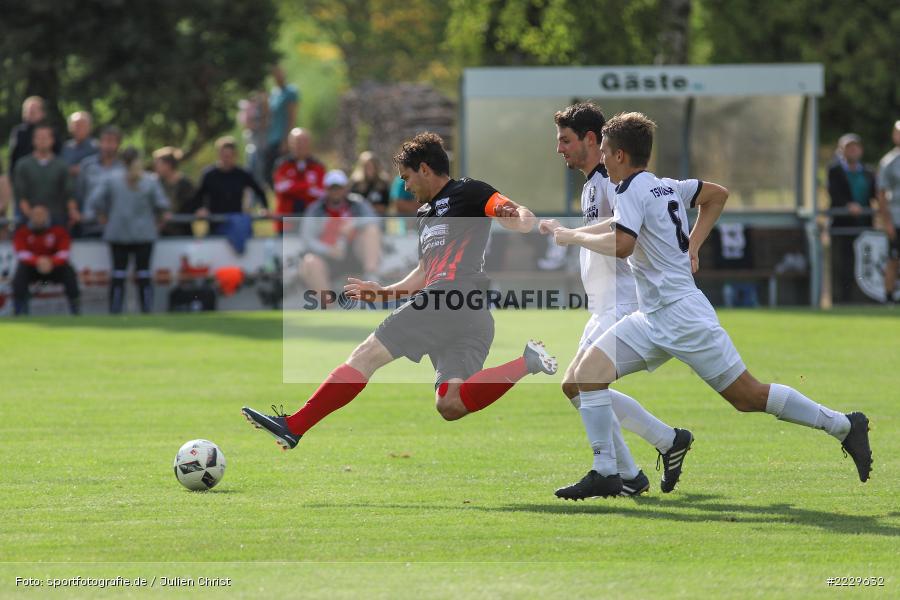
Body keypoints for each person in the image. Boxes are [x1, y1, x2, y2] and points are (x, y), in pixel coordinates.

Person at [543, 112, 872, 498]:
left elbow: (622, 243)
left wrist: (575, 239)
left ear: (618, 155)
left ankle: (844, 425)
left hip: (682, 316)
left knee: (747, 397)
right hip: (649, 317)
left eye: (604, 150)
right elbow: (716, 194)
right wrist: (692, 245)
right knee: (586, 377)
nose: (600, 155)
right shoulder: (663, 185)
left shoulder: (632, 190)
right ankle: (606, 470)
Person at [241, 132, 558, 451]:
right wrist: (382, 292)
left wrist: (518, 219)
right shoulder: (424, 216)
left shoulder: (468, 191)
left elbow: (519, 215)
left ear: (424, 169)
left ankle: (294, 426)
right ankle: (528, 361)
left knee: (365, 356)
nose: (405, 187)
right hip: (469, 313)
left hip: (449, 298)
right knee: (450, 404)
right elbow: (423, 272)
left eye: (406, 178)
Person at [541, 103, 691, 499]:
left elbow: (624, 229)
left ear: (592, 140)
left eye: (565, 140)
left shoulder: (612, 179)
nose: (560, 149)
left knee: (583, 384)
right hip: (603, 304)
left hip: (624, 302)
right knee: (576, 387)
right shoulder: (594, 182)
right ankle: (655, 450)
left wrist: (571, 233)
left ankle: (616, 468)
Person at [85, 147, 171, 313]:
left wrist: (103, 214)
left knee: (118, 275)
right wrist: (158, 219)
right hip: (145, 234)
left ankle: (115, 311)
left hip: (117, 233)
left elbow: (95, 201)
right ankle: (147, 311)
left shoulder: (111, 178)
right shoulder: (150, 180)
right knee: (144, 274)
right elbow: (163, 205)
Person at [300, 169, 381, 304]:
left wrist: (354, 223)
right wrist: (327, 250)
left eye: (339, 188)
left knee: (371, 231)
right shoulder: (316, 209)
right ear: (326, 189)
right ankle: (328, 306)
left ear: (345, 189)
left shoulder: (357, 203)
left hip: (353, 253)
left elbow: (375, 220)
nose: (336, 192)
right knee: (309, 261)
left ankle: (371, 278)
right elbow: (307, 239)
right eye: (332, 188)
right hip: (328, 257)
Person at [827, 133, 877, 303]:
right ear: (841, 150)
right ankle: (841, 301)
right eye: (849, 148)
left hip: (864, 227)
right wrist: (848, 205)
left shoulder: (868, 172)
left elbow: (875, 194)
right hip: (843, 226)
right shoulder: (834, 171)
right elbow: (834, 193)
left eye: (855, 147)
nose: (853, 151)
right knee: (843, 266)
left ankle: (863, 300)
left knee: (863, 266)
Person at [11, 205, 80, 315]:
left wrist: (50, 262)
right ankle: (19, 311)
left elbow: (64, 253)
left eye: (41, 215)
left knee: (69, 271)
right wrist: (38, 261)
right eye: (36, 215)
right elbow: (21, 253)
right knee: (21, 272)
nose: (39, 218)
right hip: (33, 269)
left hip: (53, 268)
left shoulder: (59, 230)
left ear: (47, 216)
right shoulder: (22, 231)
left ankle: (75, 309)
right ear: (30, 217)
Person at [193, 136, 267, 234]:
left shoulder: (242, 174)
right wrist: (200, 208)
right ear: (218, 155)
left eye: (229, 156)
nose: (226, 159)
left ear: (235, 155)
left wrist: (264, 208)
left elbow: (259, 191)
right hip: (215, 224)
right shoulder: (209, 174)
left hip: (236, 224)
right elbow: (198, 196)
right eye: (224, 155)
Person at [13, 123, 79, 228]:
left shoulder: (61, 165)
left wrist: (72, 211)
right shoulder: (23, 165)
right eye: (39, 137)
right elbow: (21, 196)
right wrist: (34, 216)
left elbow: (69, 193)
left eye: (45, 137)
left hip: (57, 218)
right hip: (28, 220)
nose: (42, 140)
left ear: (52, 140)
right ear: (33, 140)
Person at [272, 128, 325, 230]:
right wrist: (308, 186)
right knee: (289, 245)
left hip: (311, 220)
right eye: (297, 142)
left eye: (303, 142)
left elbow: (321, 192)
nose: (300, 145)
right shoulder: (282, 165)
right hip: (286, 221)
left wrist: (292, 186)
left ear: (309, 143)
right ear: (290, 144)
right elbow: (280, 188)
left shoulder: (318, 166)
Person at [76, 126, 124, 237]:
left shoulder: (124, 168)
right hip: (89, 222)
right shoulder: (87, 165)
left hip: (117, 224)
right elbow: (80, 192)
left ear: (118, 144)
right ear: (100, 143)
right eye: (106, 141)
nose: (108, 145)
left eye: (112, 141)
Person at [876, 120, 900, 304]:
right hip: (897, 218)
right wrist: (887, 222)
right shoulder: (889, 162)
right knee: (894, 259)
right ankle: (889, 296)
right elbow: (881, 194)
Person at [264, 65, 300, 186]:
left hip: (282, 139)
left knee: (283, 171)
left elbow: (292, 117)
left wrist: (286, 140)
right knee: (268, 173)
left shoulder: (290, 92)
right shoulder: (274, 92)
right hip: (272, 138)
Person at [8, 96, 60, 176]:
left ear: (43, 113)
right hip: (24, 174)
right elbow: (14, 157)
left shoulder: (51, 131)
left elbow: (58, 153)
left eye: (33, 112)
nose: (29, 114)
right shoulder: (19, 132)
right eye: (27, 111)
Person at [153, 146, 196, 237]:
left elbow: (192, 207)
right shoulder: (154, 183)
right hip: (160, 232)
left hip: (182, 232)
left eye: (158, 164)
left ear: (168, 165)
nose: (155, 167)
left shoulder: (186, 184)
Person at [350, 151, 392, 216]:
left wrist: (367, 207)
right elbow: (352, 204)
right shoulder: (356, 183)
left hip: (379, 218)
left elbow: (386, 205)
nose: (370, 169)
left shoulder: (383, 183)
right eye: (367, 166)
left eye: (372, 166)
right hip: (361, 220)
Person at [60, 111, 99, 179]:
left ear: (89, 127)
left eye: (83, 125)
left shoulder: (96, 147)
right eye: (76, 125)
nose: (79, 129)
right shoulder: (66, 147)